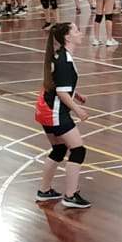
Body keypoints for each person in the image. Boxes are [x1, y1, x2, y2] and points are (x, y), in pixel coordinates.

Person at [30, 23, 90, 207]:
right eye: (76, 30)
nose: (80, 33)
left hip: (46, 109)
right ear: (67, 37)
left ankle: (44, 191)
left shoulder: (60, 56)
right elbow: (62, 93)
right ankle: (71, 195)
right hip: (55, 112)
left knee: (59, 149)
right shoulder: (65, 61)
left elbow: (60, 83)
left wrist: (76, 95)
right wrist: (78, 110)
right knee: (78, 150)